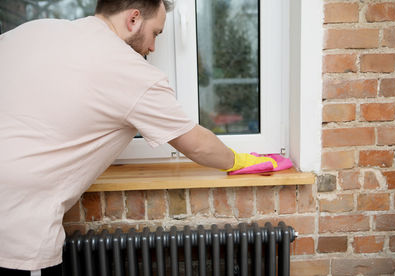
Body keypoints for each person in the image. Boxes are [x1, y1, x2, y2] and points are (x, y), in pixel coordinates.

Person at [0, 0, 275, 274]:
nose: (153, 47)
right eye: (156, 33)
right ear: (133, 19)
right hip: (15, 229)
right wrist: (241, 160)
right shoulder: (129, 70)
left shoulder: (32, 32)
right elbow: (198, 146)